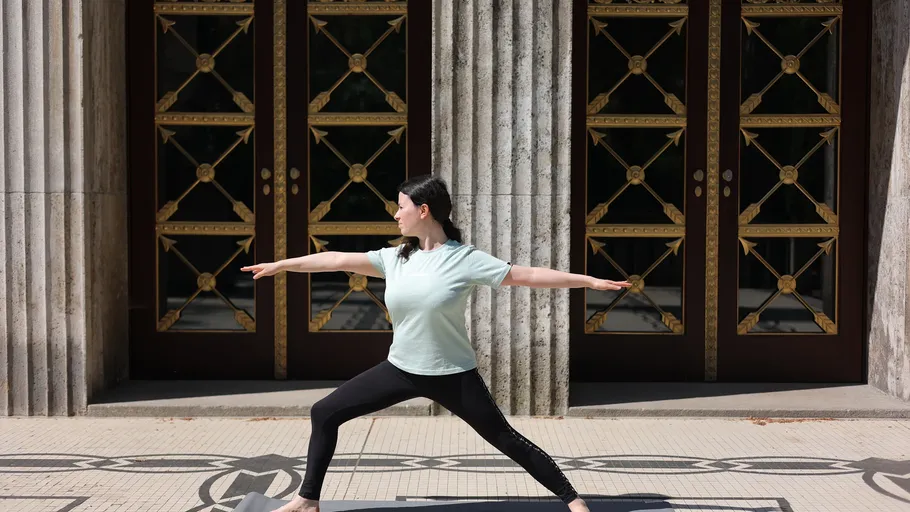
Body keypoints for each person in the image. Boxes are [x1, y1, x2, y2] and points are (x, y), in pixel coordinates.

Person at [241, 175, 630, 512]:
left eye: (401, 207)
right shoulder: (394, 258)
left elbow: (527, 275)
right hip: (400, 369)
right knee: (325, 412)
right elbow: (337, 258)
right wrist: (281, 265)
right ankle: (308, 499)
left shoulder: (464, 259)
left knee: (505, 439)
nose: (396, 215)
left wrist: (589, 281)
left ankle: (573, 500)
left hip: (452, 374)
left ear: (423, 210)